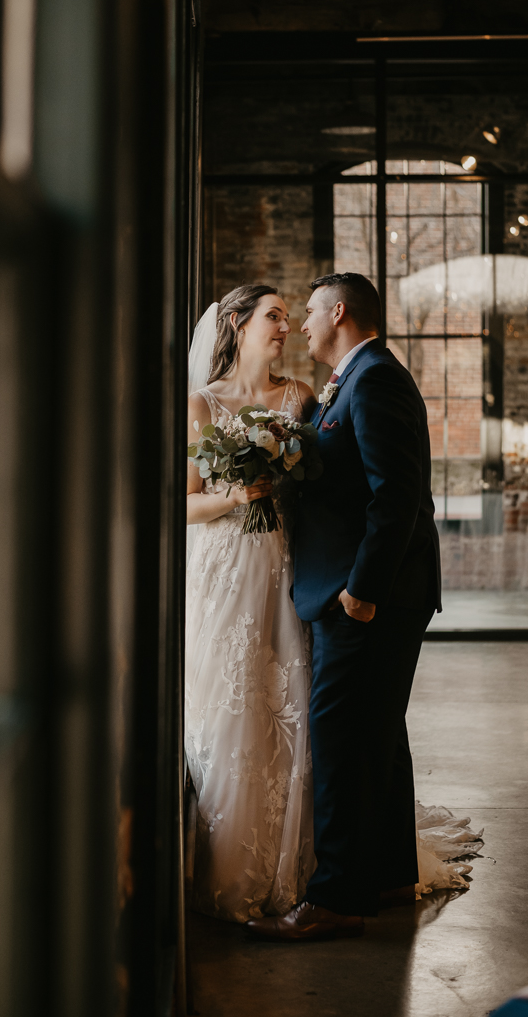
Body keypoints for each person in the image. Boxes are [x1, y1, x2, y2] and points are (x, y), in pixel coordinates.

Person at [246, 271, 442, 942]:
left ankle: (334, 897)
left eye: (308, 312)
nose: (301, 324)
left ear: (339, 312)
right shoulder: (358, 380)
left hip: (366, 597)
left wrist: (362, 592)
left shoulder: (375, 379)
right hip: (362, 592)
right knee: (379, 736)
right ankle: (386, 875)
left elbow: (398, 497)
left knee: (339, 739)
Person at [184, 284, 316, 922]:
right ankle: (225, 866)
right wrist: (236, 497)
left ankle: (293, 861)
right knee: (227, 706)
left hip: (283, 565)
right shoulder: (203, 405)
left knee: (281, 699)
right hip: (221, 569)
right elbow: (181, 503)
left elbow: (321, 488)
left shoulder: (299, 399)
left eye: (290, 318)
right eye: (273, 316)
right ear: (237, 324)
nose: (284, 327)